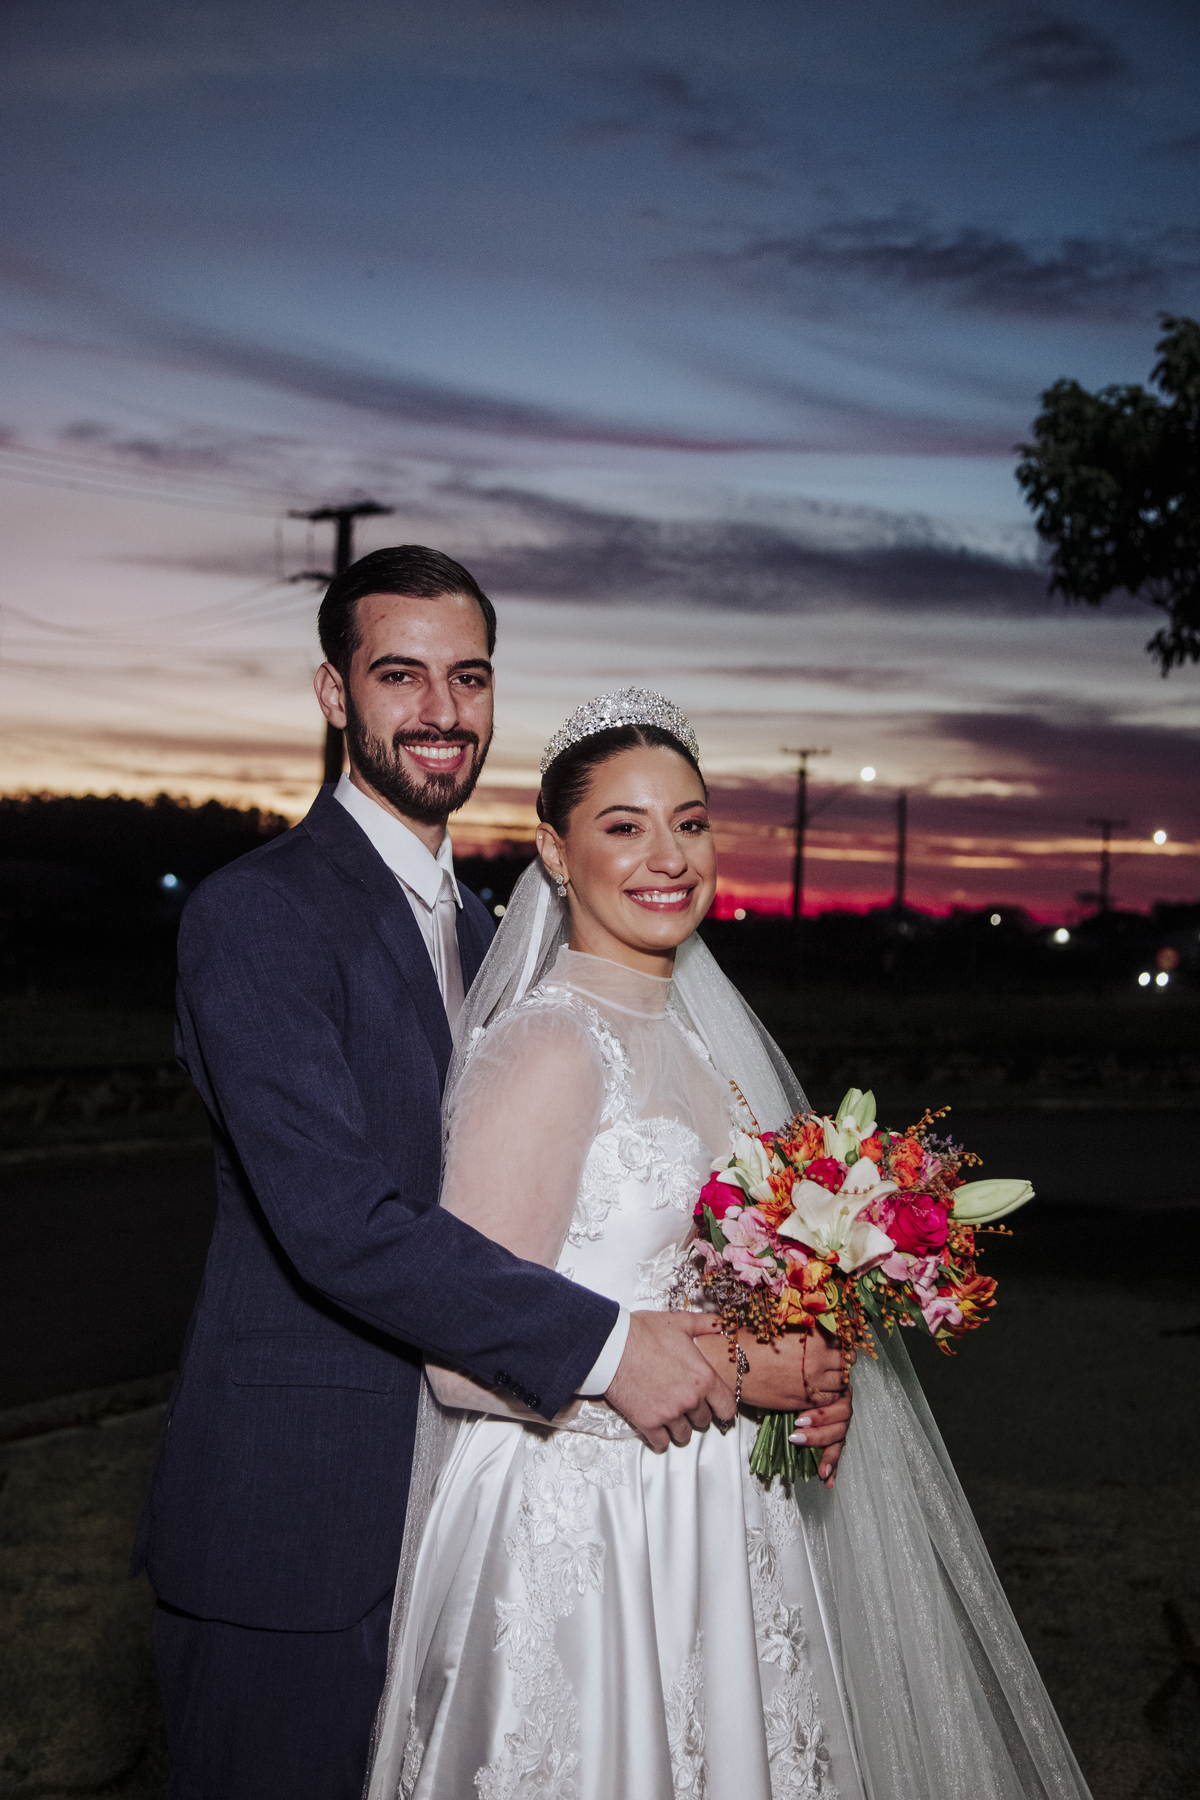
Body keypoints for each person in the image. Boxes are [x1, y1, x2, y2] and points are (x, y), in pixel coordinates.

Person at [132, 550, 852, 1800]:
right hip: (302, 1514)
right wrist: (619, 1352)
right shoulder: (259, 916)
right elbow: (339, 1221)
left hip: (494, 1512)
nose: (440, 709)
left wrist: (778, 1362)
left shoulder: (495, 936)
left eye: (468, 677)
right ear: (333, 692)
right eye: (399, 674)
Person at [366, 689, 1093, 1800]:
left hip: (721, 1517)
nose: (669, 857)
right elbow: (461, 1358)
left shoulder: (710, 1048)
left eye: (691, 823)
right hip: (587, 1530)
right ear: (555, 852)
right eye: (625, 826)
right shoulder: (550, 1045)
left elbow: (740, 1289)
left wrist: (812, 1381)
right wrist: (742, 1369)